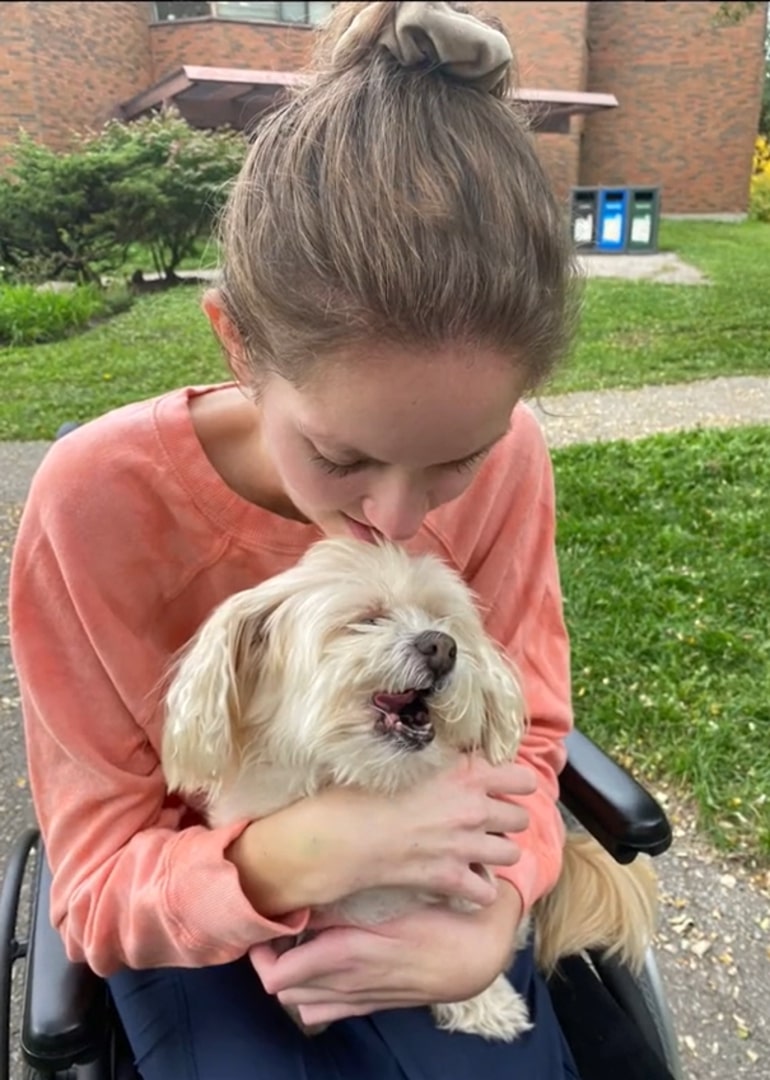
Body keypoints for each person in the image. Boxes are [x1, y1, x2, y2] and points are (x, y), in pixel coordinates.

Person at [9, 3, 642, 1078]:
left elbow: (525, 733)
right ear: (238, 342)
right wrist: (289, 857)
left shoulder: (518, 461)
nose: (400, 521)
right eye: (342, 458)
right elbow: (100, 879)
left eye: (457, 460)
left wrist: (499, 910)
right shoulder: (91, 505)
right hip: (195, 921)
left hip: (444, 879)